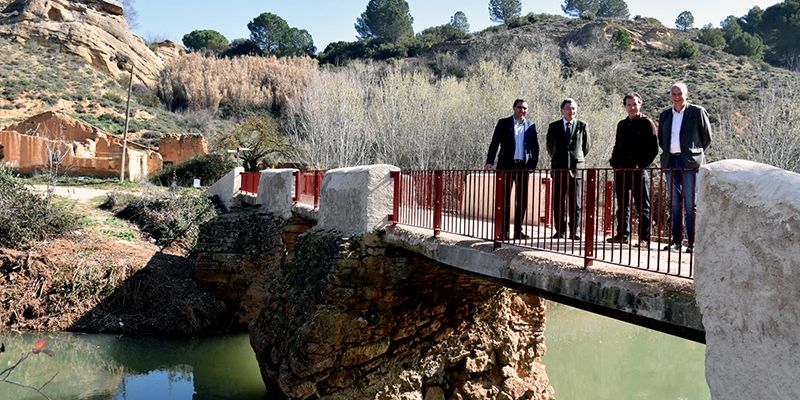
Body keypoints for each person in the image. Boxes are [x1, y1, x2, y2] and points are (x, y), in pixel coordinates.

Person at [658, 82, 712, 253]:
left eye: (680, 94)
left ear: (686, 95)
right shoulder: (665, 115)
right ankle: (676, 241)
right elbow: (662, 139)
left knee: (690, 204)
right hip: (671, 162)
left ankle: (693, 243)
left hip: (690, 163)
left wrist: (694, 153)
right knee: (675, 204)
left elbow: (706, 137)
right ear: (670, 96)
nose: (677, 97)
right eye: (674, 94)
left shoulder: (697, 112)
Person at [607, 93, 659, 247]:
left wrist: (641, 165)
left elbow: (653, 149)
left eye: (635, 104)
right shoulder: (622, 125)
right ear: (625, 106)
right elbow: (617, 146)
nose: (632, 107)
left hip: (639, 171)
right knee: (623, 204)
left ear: (640, 104)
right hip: (621, 170)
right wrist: (614, 164)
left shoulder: (647, 123)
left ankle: (644, 238)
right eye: (629, 105)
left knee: (643, 205)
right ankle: (622, 235)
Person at [485, 99, 540, 240]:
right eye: (520, 107)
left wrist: (532, 165)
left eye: (525, 108)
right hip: (505, 166)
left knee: (522, 200)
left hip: (523, 167)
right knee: (504, 199)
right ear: (514, 108)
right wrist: (489, 161)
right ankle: (503, 231)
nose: (522, 110)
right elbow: (494, 143)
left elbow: (535, 148)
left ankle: (518, 231)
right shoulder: (503, 123)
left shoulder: (531, 125)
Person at [546, 98, 590, 240]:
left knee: (576, 202)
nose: (571, 111)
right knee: (559, 201)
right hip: (559, 168)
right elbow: (550, 147)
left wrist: (576, 159)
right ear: (562, 110)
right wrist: (558, 159)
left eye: (573, 108)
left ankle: (575, 231)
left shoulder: (582, 125)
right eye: (568, 108)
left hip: (577, 169)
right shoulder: (554, 126)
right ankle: (560, 230)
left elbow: (586, 147)